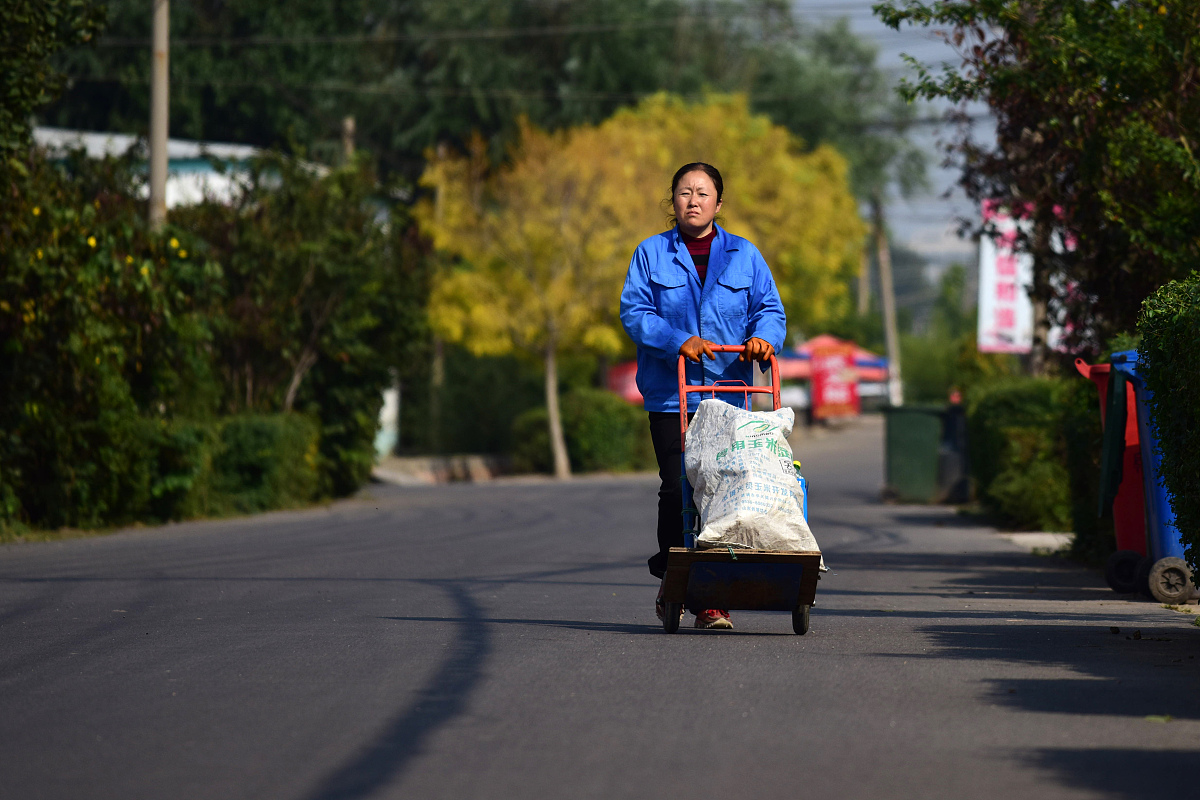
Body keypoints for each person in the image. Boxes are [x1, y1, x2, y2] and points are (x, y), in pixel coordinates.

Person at [619, 162, 787, 630]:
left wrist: (763, 338)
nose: (693, 200)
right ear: (672, 201)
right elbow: (635, 311)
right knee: (678, 489)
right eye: (684, 192)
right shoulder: (651, 254)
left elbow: (769, 309)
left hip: (729, 396)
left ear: (718, 202)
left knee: (723, 491)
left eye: (702, 192)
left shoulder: (744, 256)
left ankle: (713, 600)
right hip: (672, 397)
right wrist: (679, 340)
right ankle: (673, 579)